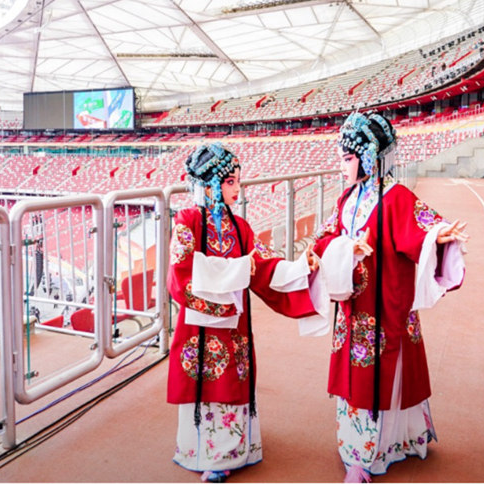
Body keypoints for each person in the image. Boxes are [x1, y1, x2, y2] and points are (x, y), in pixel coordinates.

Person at [309, 111, 468, 482]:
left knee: (385, 371)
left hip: (386, 305)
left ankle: (382, 447)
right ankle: (359, 448)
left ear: (368, 156)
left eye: (349, 158)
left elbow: (421, 227)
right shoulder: (346, 199)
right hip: (355, 306)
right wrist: (342, 248)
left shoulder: (396, 197)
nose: (344, 166)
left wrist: (438, 234)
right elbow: (324, 236)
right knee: (359, 376)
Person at [167, 142, 319, 483]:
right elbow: (180, 272)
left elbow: (262, 265)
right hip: (200, 327)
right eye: (230, 182)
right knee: (205, 385)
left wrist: (299, 268)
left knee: (233, 383)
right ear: (209, 184)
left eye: (237, 181)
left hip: (233, 327)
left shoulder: (241, 227)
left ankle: (233, 451)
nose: (238, 189)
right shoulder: (187, 221)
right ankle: (202, 452)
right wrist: (237, 270)